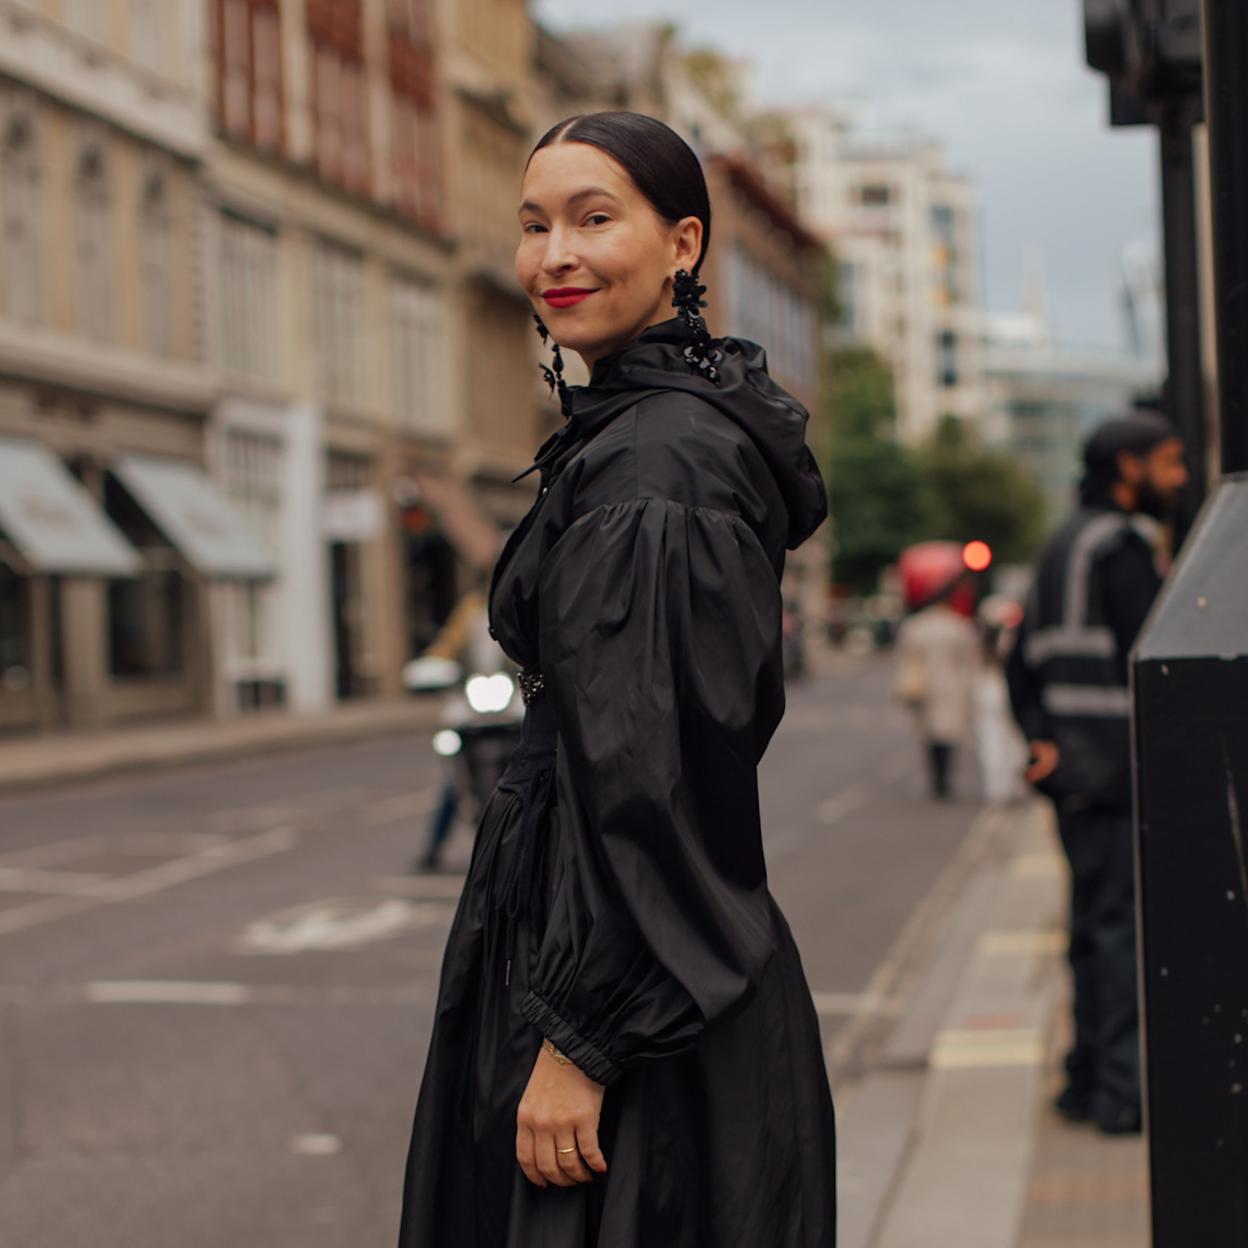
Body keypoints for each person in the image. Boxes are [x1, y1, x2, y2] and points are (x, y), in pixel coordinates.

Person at [396, 112, 837, 1247]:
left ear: (684, 244)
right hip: (621, 969)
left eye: (596, 219)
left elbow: (653, 775)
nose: (556, 256)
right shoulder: (639, 433)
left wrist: (580, 1039)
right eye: (534, 224)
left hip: (634, 1020)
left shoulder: (659, 465)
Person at [1005, 409, 1188, 1136]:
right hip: (1116, 768)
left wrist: (1038, 737)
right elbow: (1161, 659)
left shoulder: (1061, 544)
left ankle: (1084, 1082)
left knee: (1091, 928)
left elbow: (1019, 659)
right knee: (1116, 935)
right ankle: (1121, 1095)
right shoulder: (1120, 547)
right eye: (1170, 464)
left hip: (1075, 771)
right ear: (1129, 468)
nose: (1178, 479)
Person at [894, 546, 980, 801]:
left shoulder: (916, 626)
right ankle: (944, 780)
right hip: (951, 687)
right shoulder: (959, 627)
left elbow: (907, 658)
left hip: (924, 686)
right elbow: (968, 662)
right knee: (948, 736)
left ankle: (937, 779)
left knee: (930, 737)